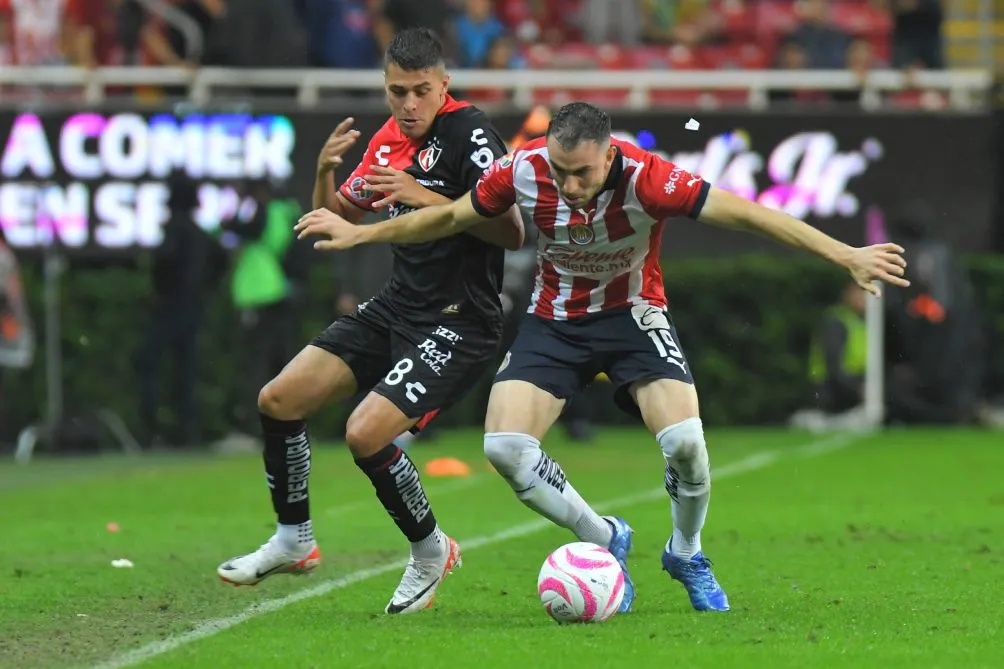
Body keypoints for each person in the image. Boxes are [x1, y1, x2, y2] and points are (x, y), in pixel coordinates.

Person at [294, 102, 911, 613]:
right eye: (560, 172)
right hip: (554, 321)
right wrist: (362, 232)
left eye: (582, 173)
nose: (568, 185)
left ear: (609, 155)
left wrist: (846, 255)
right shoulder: (524, 167)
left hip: (632, 317)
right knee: (503, 449)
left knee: (687, 445)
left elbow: (751, 215)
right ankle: (603, 536)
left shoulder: (650, 178)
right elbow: (452, 217)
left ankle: (687, 551)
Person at [216, 27, 524, 617]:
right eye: (396, 92)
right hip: (396, 306)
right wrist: (325, 173)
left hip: (460, 322)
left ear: (443, 86)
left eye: (419, 92)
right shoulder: (388, 139)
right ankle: (293, 539)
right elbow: (338, 217)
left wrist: (420, 193)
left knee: (365, 433)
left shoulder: (471, 133)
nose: (407, 106)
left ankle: (431, 551)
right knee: (279, 399)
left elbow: (510, 229)